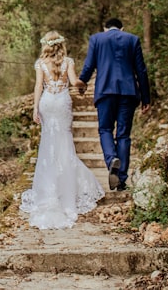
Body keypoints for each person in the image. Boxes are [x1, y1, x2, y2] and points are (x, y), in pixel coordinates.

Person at [20, 31, 105, 229]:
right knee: (65, 144)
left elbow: (39, 86)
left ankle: (49, 191)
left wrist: (35, 108)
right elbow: (75, 82)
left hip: (48, 103)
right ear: (61, 45)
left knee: (48, 145)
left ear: (46, 45)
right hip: (63, 103)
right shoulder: (68, 62)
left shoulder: (41, 64)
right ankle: (66, 193)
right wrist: (83, 86)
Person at [76, 17, 151, 191]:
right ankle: (122, 180)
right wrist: (146, 98)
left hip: (105, 92)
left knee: (105, 129)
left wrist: (82, 83)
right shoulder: (132, 39)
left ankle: (111, 160)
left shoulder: (96, 39)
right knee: (123, 135)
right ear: (121, 28)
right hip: (128, 92)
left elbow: (89, 65)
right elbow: (141, 70)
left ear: (105, 28)